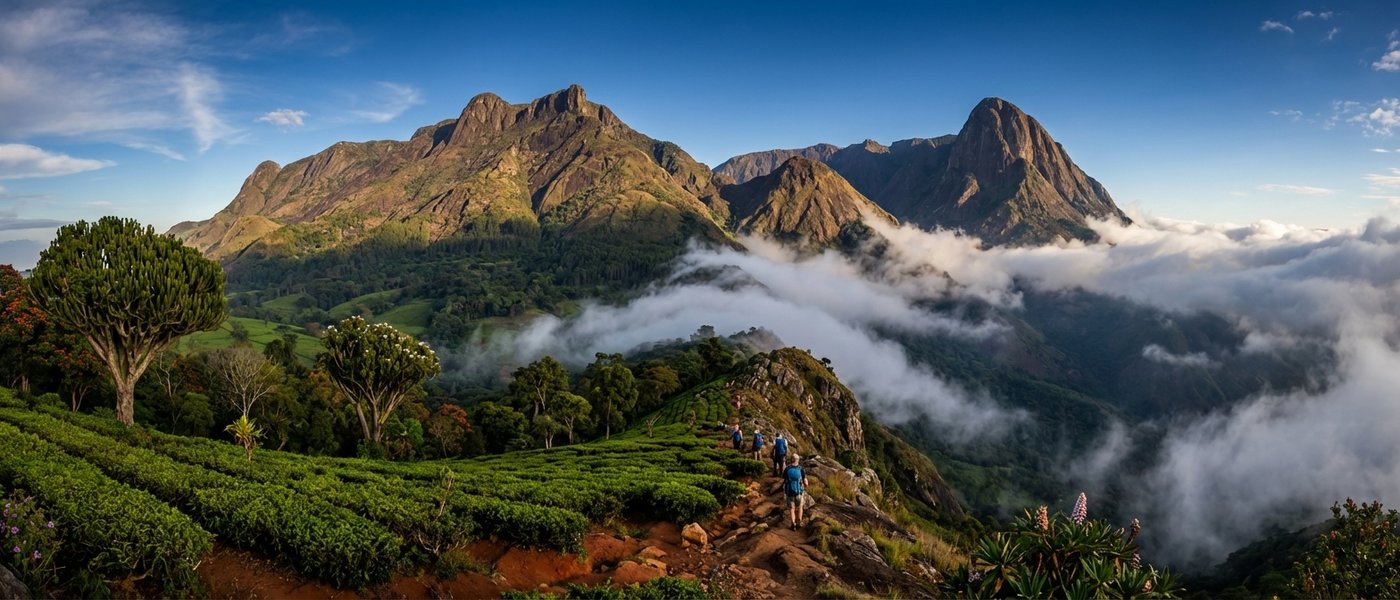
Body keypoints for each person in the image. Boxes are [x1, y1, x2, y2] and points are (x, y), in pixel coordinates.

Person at [783, 454, 809, 529]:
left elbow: (784, 479)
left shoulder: (787, 469)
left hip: (789, 492)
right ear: (797, 460)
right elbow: (805, 481)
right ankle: (799, 521)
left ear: (791, 460)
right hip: (799, 492)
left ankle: (793, 524)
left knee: (792, 508)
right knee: (800, 506)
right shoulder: (801, 469)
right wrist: (805, 485)